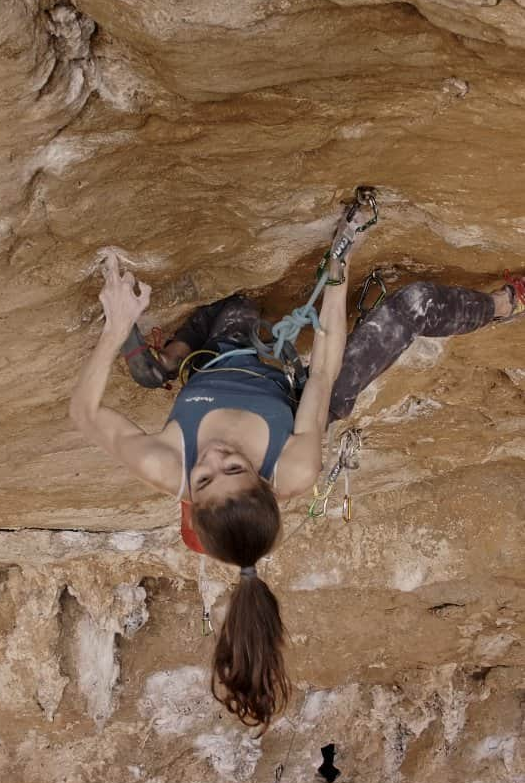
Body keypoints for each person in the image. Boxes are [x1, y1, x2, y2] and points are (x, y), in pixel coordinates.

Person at [70, 245, 524, 730]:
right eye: (236, 469)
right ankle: (506, 305)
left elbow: (85, 415)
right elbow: (324, 374)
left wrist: (117, 326)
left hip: (226, 359)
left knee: (238, 306)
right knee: (411, 306)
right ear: (266, 482)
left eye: (204, 478)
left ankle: (166, 361)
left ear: (188, 493)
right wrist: (337, 276)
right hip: (297, 393)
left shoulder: (166, 464)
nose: (215, 457)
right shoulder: (293, 467)